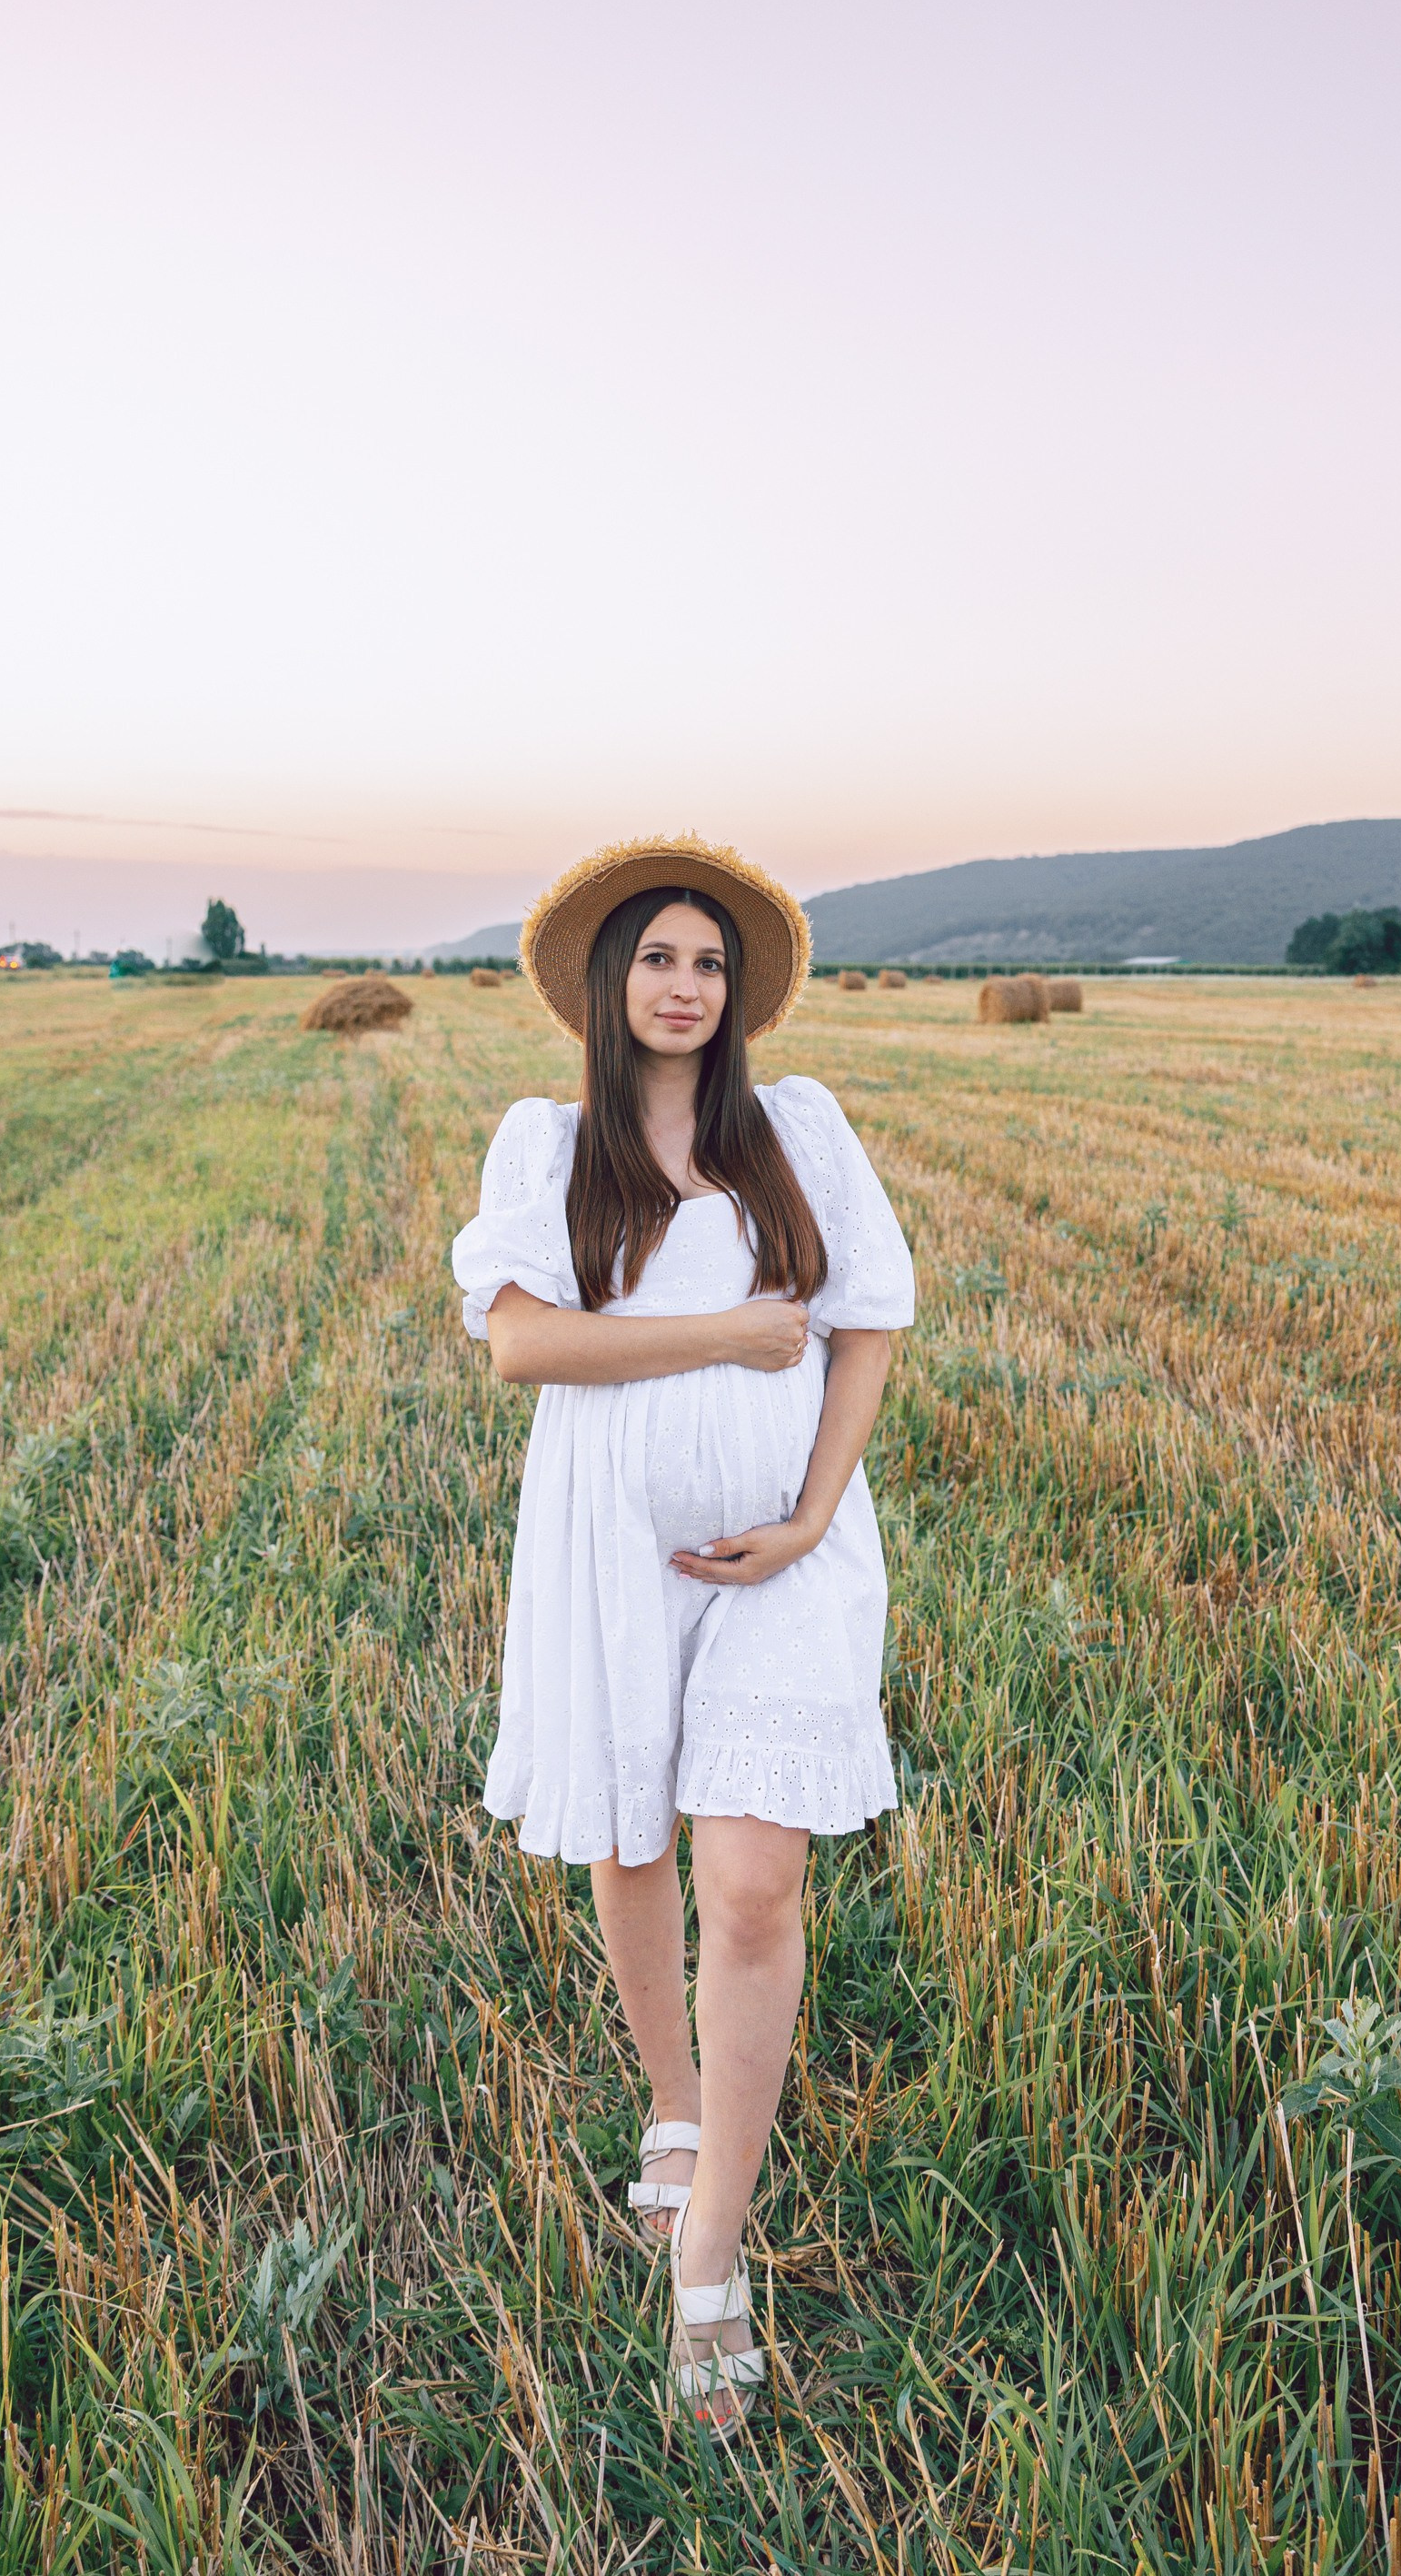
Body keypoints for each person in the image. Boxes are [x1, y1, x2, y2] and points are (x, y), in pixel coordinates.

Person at [451, 834, 914, 2442]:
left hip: (785, 1551)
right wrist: (724, 1331)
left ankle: (710, 2248)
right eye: (658, 957)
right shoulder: (549, 1143)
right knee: (634, 1829)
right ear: (607, 981)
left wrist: (806, 1513)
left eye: (710, 963)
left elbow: (863, 1324)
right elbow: (518, 1345)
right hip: (608, 1540)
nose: (684, 985)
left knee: (751, 1875)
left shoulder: (802, 1131)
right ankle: (670, 2096)